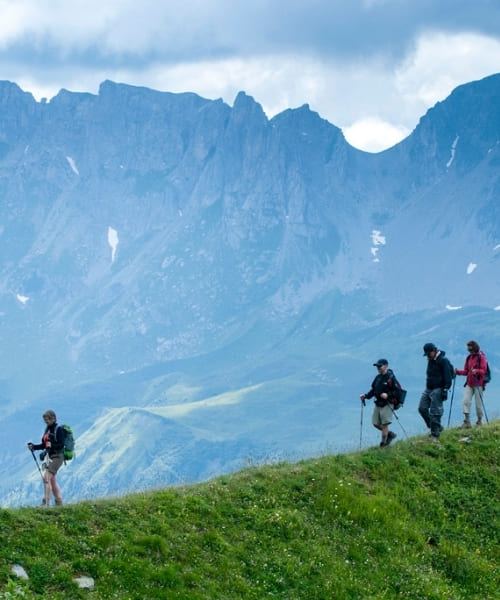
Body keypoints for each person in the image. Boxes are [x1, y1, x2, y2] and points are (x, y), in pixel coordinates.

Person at [27, 410, 65, 507]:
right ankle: (59, 503)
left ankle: (45, 503)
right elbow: (45, 445)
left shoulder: (58, 429)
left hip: (58, 456)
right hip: (50, 457)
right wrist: (34, 447)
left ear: (53, 418)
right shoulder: (47, 429)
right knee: (52, 480)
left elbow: (61, 444)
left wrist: (51, 446)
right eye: (45, 420)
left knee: (46, 477)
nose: (46, 422)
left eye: (47, 420)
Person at [360, 358, 400, 447]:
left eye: (380, 366)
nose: (378, 368)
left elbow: (397, 391)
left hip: (388, 403)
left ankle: (383, 444)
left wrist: (387, 395)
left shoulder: (391, 378)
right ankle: (390, 434)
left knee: (384, 424)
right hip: (378, 402)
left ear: (386, 366)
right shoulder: (378, 377)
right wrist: (366, 396)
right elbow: (374, 390)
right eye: (377, 366)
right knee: (375, 423)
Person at [418, 343, 452, 441]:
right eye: (427, 354)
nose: (428, 356)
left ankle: (435, 434)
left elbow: (448, 376)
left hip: (439, 388)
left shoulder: (443, 361)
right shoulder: (431, 360)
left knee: (435, 411)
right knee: (422, 408)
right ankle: (436, 427)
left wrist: (445, 389)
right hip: (429, 388)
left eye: (429, 354)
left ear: (434, 351)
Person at [455, 340, 487, 428]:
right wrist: (457, 372)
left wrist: (476, 371)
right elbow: (466, 371)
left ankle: (479, 422)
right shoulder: (469, 357)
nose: (469, 351)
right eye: (468, 349)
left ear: (475, 348)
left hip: (479, 384)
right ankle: (467, 422)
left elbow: (483, 371)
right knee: (465, 401)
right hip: (469, 383)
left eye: (470, 349)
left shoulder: (481, 357)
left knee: (478, 404)